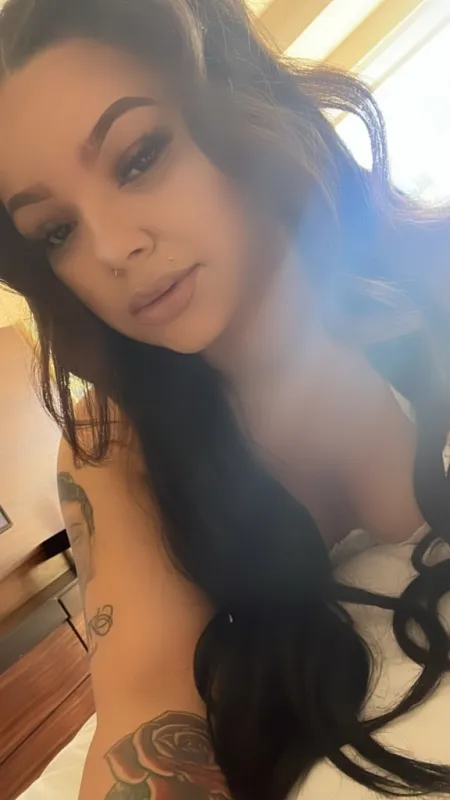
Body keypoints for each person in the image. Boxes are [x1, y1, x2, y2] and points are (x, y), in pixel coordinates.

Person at [0, 0, 449, 798]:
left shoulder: (431, 277)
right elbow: (142, 714)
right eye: (57, 231)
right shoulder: (117, 443)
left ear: (235, 108)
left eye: (139, 156)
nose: (112, 249)